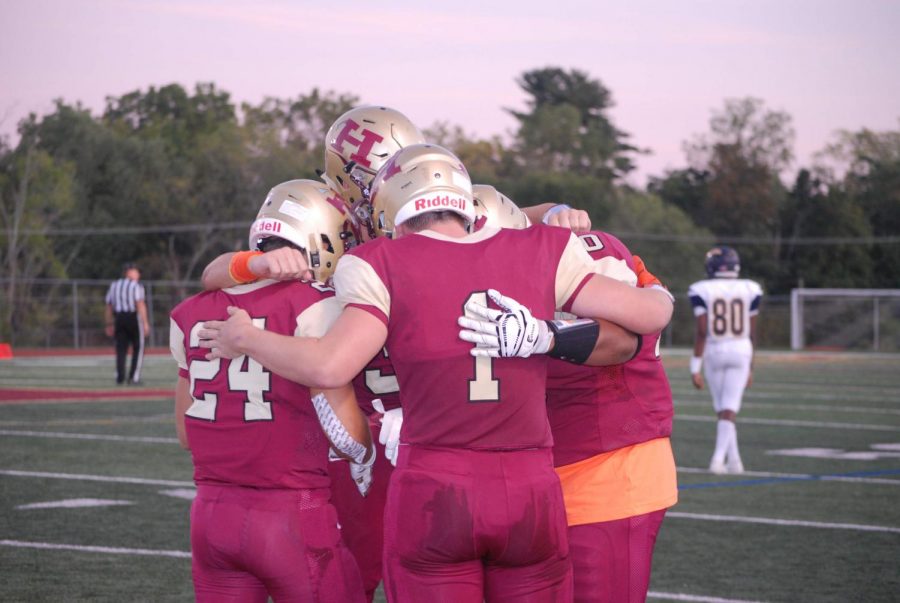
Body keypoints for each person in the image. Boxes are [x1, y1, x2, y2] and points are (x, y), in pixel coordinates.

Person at [199, 144, 674, 602]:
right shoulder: (544, 248)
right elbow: (648, 317)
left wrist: (247, 339)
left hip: (436, 483)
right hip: (530, 487)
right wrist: (650, 292)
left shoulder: (374, 262)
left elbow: (328, 366)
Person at [460, 191, 678, 603]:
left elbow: (629, 337)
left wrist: (546, 336)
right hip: (532, 470)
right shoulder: (476, 257)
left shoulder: (586, 253)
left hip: (609, 460)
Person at [170, 179, 373, 602]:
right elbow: (344, 431)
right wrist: (367, 449)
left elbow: (188, 433)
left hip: (210, 517)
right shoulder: (318, 305)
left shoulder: (189, 312)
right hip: (292, 515)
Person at [688, 246, 763, 474]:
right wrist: (751, 366)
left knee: (724, 408)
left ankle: (719, 460)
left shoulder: (701, 289)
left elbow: (702, 331)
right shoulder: (750, 288)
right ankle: (734, 461)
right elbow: (752, 331)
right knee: (727, 409)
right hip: (741, 349)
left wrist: (695, 367)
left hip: (715, 350)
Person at [104, 262, 150, 384]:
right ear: (129, 272)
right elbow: (140, 304)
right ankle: (133, 377)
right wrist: (145, 323)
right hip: (133, 317)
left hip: (119, 318)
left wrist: (109, 323)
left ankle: (120, 377)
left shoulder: (114, 285)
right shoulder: (136, 286)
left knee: (120, 348)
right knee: (138, 347)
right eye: (136, 271)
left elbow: (109, 306)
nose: (138, 274)